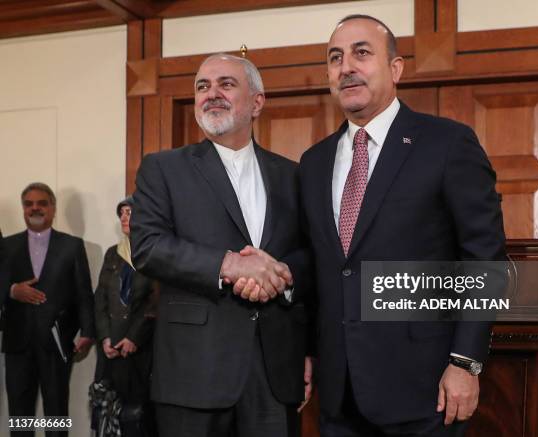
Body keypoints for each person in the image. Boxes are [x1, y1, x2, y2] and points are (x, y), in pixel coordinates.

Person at [298, 15, 507, 437]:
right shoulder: (313, 162)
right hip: (339, 393)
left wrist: (465, 363)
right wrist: (303, 351)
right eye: (335, 58)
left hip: (426, 390)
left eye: (362, 53)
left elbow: (486, 260)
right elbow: (318, 268)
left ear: (395, 69)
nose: (346, 67)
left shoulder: (447, 144)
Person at [130, 53, 311, 437]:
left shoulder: (292, 174)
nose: (212, 94)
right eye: (202, 86)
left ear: (257, 102)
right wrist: (230, 266)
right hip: (194, 373)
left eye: (226, 84)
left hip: (275, 371)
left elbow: (309, 255)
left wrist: (281, 275)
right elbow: (147, 246)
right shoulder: (163, 168)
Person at [1, 182, 95, 437]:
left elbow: (84, 294)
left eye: (42, 203)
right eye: (29, 204)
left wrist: (87, 332)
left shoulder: (72, 246)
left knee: (56, 412)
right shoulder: (6, 247)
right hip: (17, 343)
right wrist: (12, 291)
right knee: (19, 414)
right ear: (23, 209)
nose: (35, 208)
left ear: (53, 208)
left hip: (57, 341)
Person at [93, 196, 157, 436]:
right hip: (111, 350)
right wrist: (104, 337)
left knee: (138, 418)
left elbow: (156, 301)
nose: (124, 217)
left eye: (130, 211)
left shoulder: (154, 251)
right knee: (110, 416)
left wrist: (134, 337)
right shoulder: (113, 253)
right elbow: (100, 298)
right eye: (121, 213)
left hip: (141, 350)